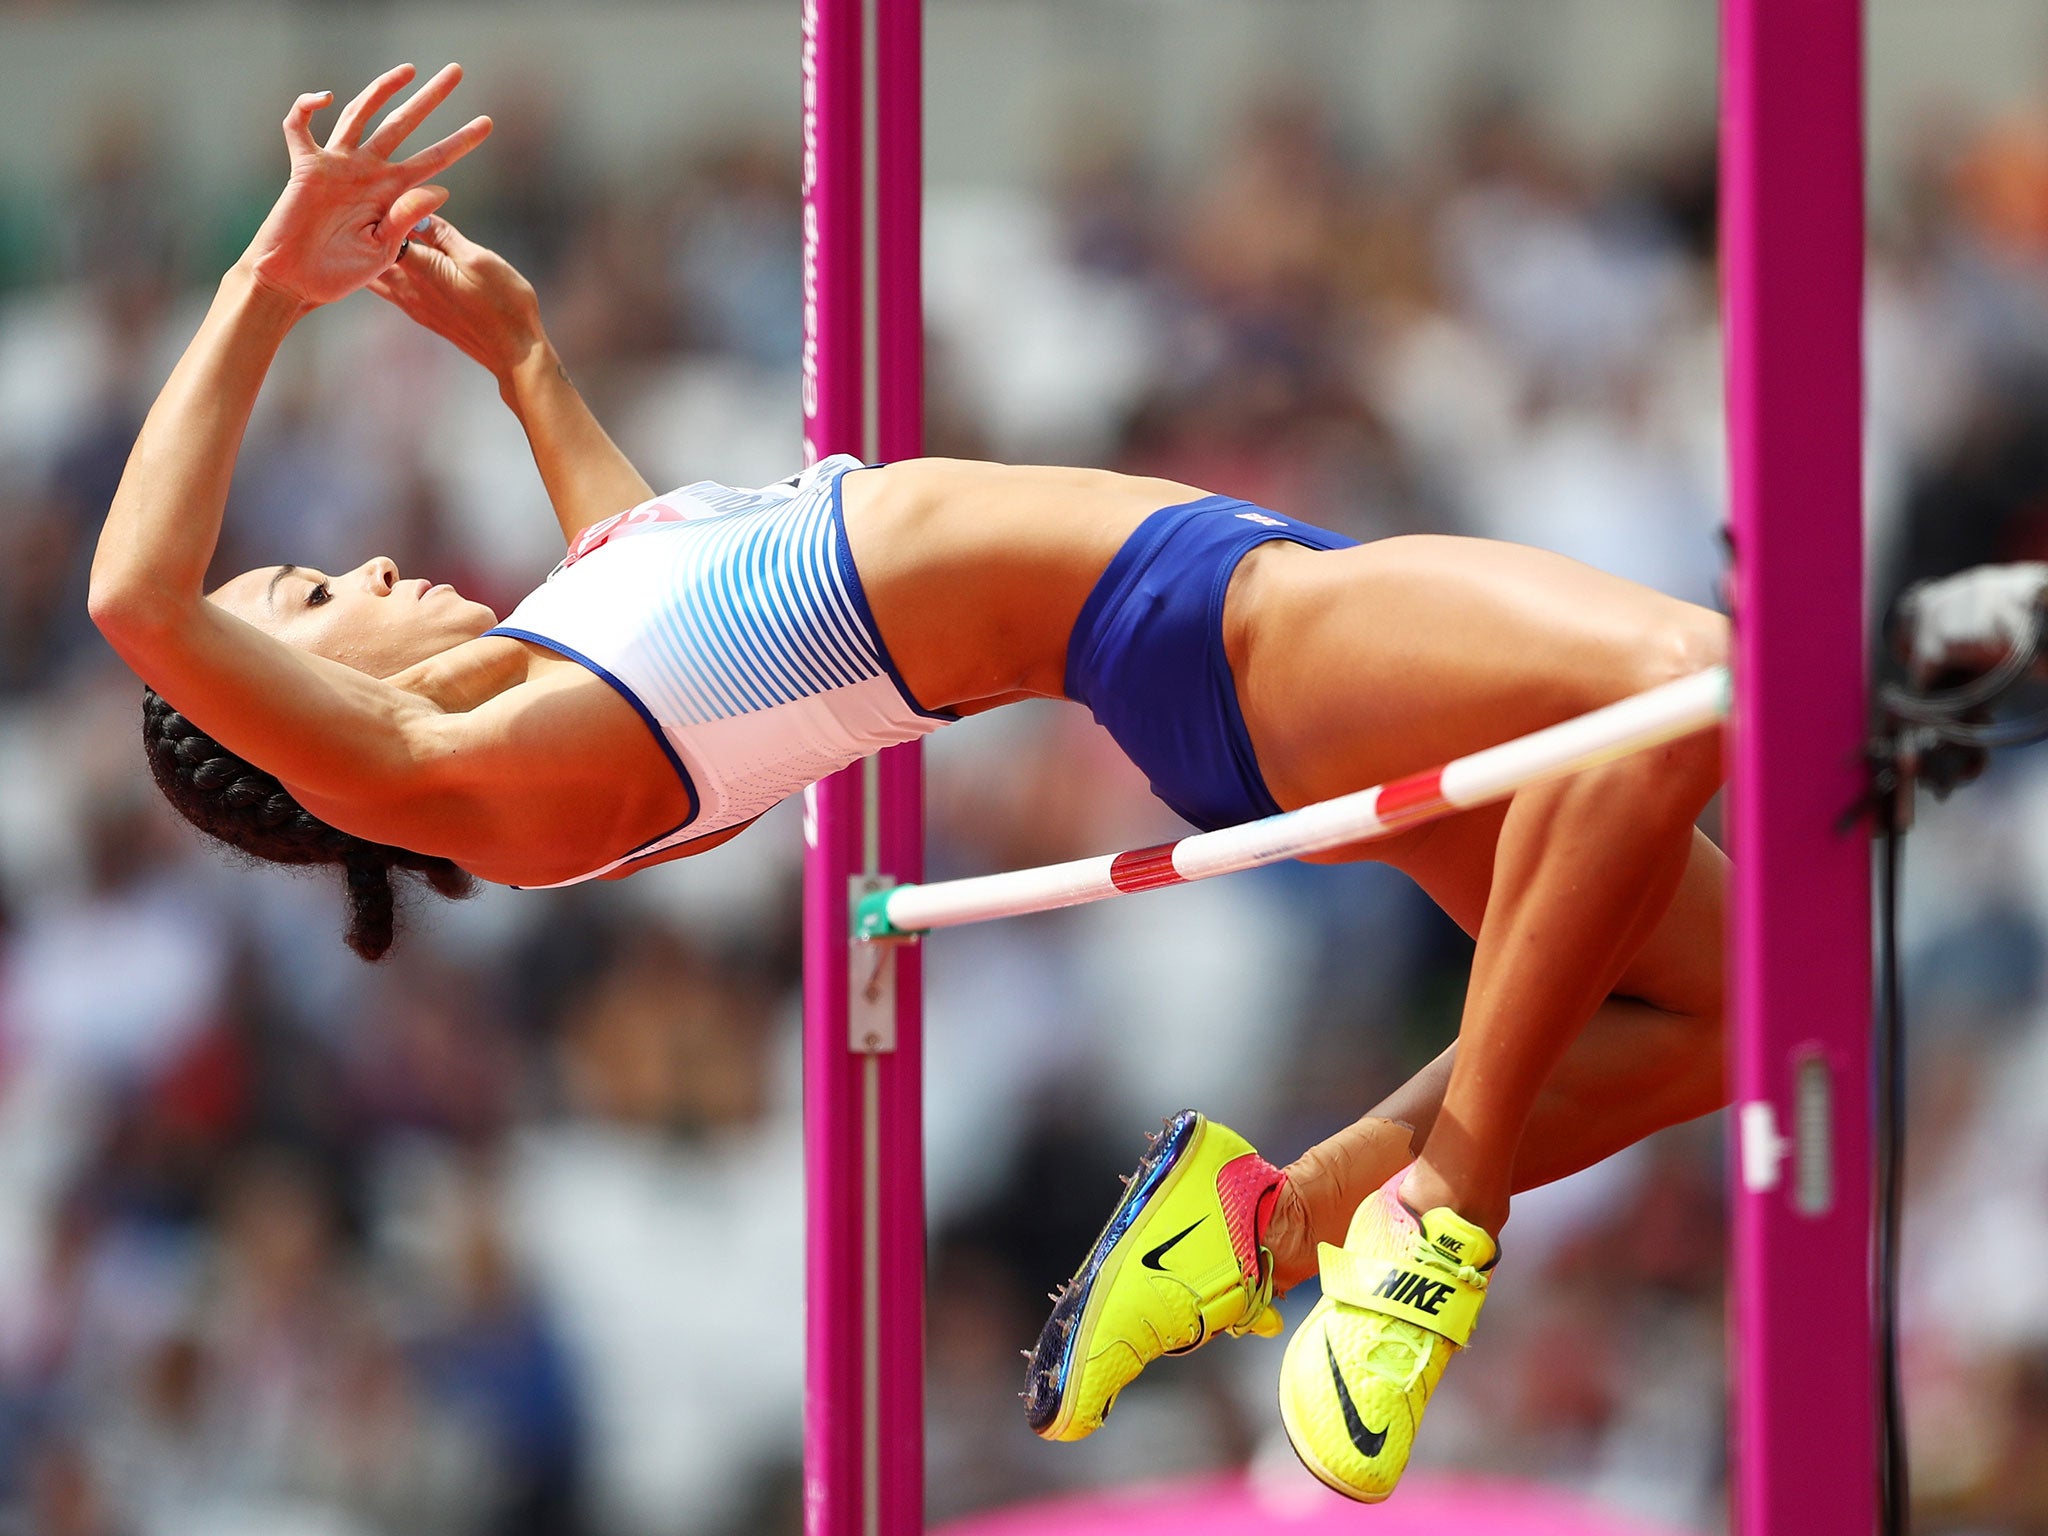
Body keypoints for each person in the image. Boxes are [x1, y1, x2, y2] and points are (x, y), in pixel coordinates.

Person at [88, 67, 1728, 1502]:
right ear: (301, 717)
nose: (365, 564)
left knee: (1737, 1004)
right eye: (312, 602)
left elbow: (657, 563)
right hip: (1194, 631)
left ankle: (1262, 1223)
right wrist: (264, 282)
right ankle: (1431, 1232)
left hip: (1207, 598)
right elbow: (137, 608)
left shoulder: (560, 674)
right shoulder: (489, 776)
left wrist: (526, 366)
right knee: (1682, 685)